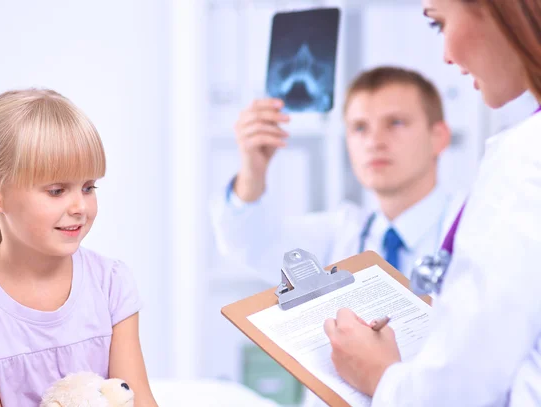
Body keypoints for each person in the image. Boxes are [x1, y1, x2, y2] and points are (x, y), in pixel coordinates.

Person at [324, 1, 541, 405]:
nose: (445, 55)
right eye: (359, 128)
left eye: (438, 23)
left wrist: (379, 374)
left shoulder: (526, 161)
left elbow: (465, 389)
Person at [0, 89, 158, 407]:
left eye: (88, 187)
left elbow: (137, 398)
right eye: (57, 190)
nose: (79, 206)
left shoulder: (111, 282)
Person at [210, 66, 464, 287]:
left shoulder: (472, 230)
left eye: (395, 123)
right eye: (360, 127)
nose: (374, 142)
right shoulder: (340, 236)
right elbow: (251, 243)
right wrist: (253, 172)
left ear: (438, 137)